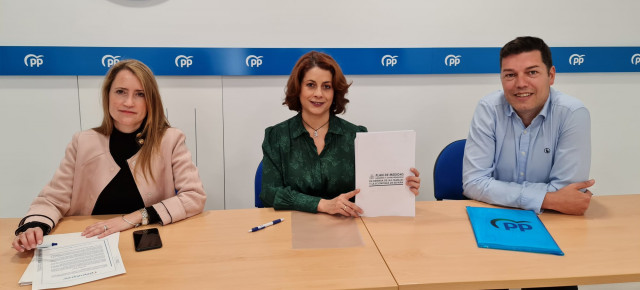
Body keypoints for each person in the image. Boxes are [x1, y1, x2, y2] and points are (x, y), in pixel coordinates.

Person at [12, 59, 206, 252]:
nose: (128, 102)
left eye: (140, 94)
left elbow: (194, 196)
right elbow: (52, 200)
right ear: (108, 95)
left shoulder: (170, 140)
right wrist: (33, 227)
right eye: (121, 92)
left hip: (148, 245)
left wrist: (131, 219)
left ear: (151, 101)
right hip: (89, 242)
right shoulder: (83, 142)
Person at [260, 51, 420, 217]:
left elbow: (373, 190)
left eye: (327, 87)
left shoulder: (357, 136)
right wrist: (322, 205)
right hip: (291, 227)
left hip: (347, 225)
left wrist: (402, 188)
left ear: (335, 92)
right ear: (298, 88)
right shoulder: (277, 137)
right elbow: (270, 193)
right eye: (311, 85)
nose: (319, 94)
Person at [463, 36, 594, 217]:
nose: (521, 83)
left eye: (532, 72)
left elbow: (567, 193)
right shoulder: (488, 108)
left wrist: (498, 191)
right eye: (510, 75)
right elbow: (473, 183)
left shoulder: (572, 113)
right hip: (496, 216)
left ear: (551, 76)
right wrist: (548, 199)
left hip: (555, 220)